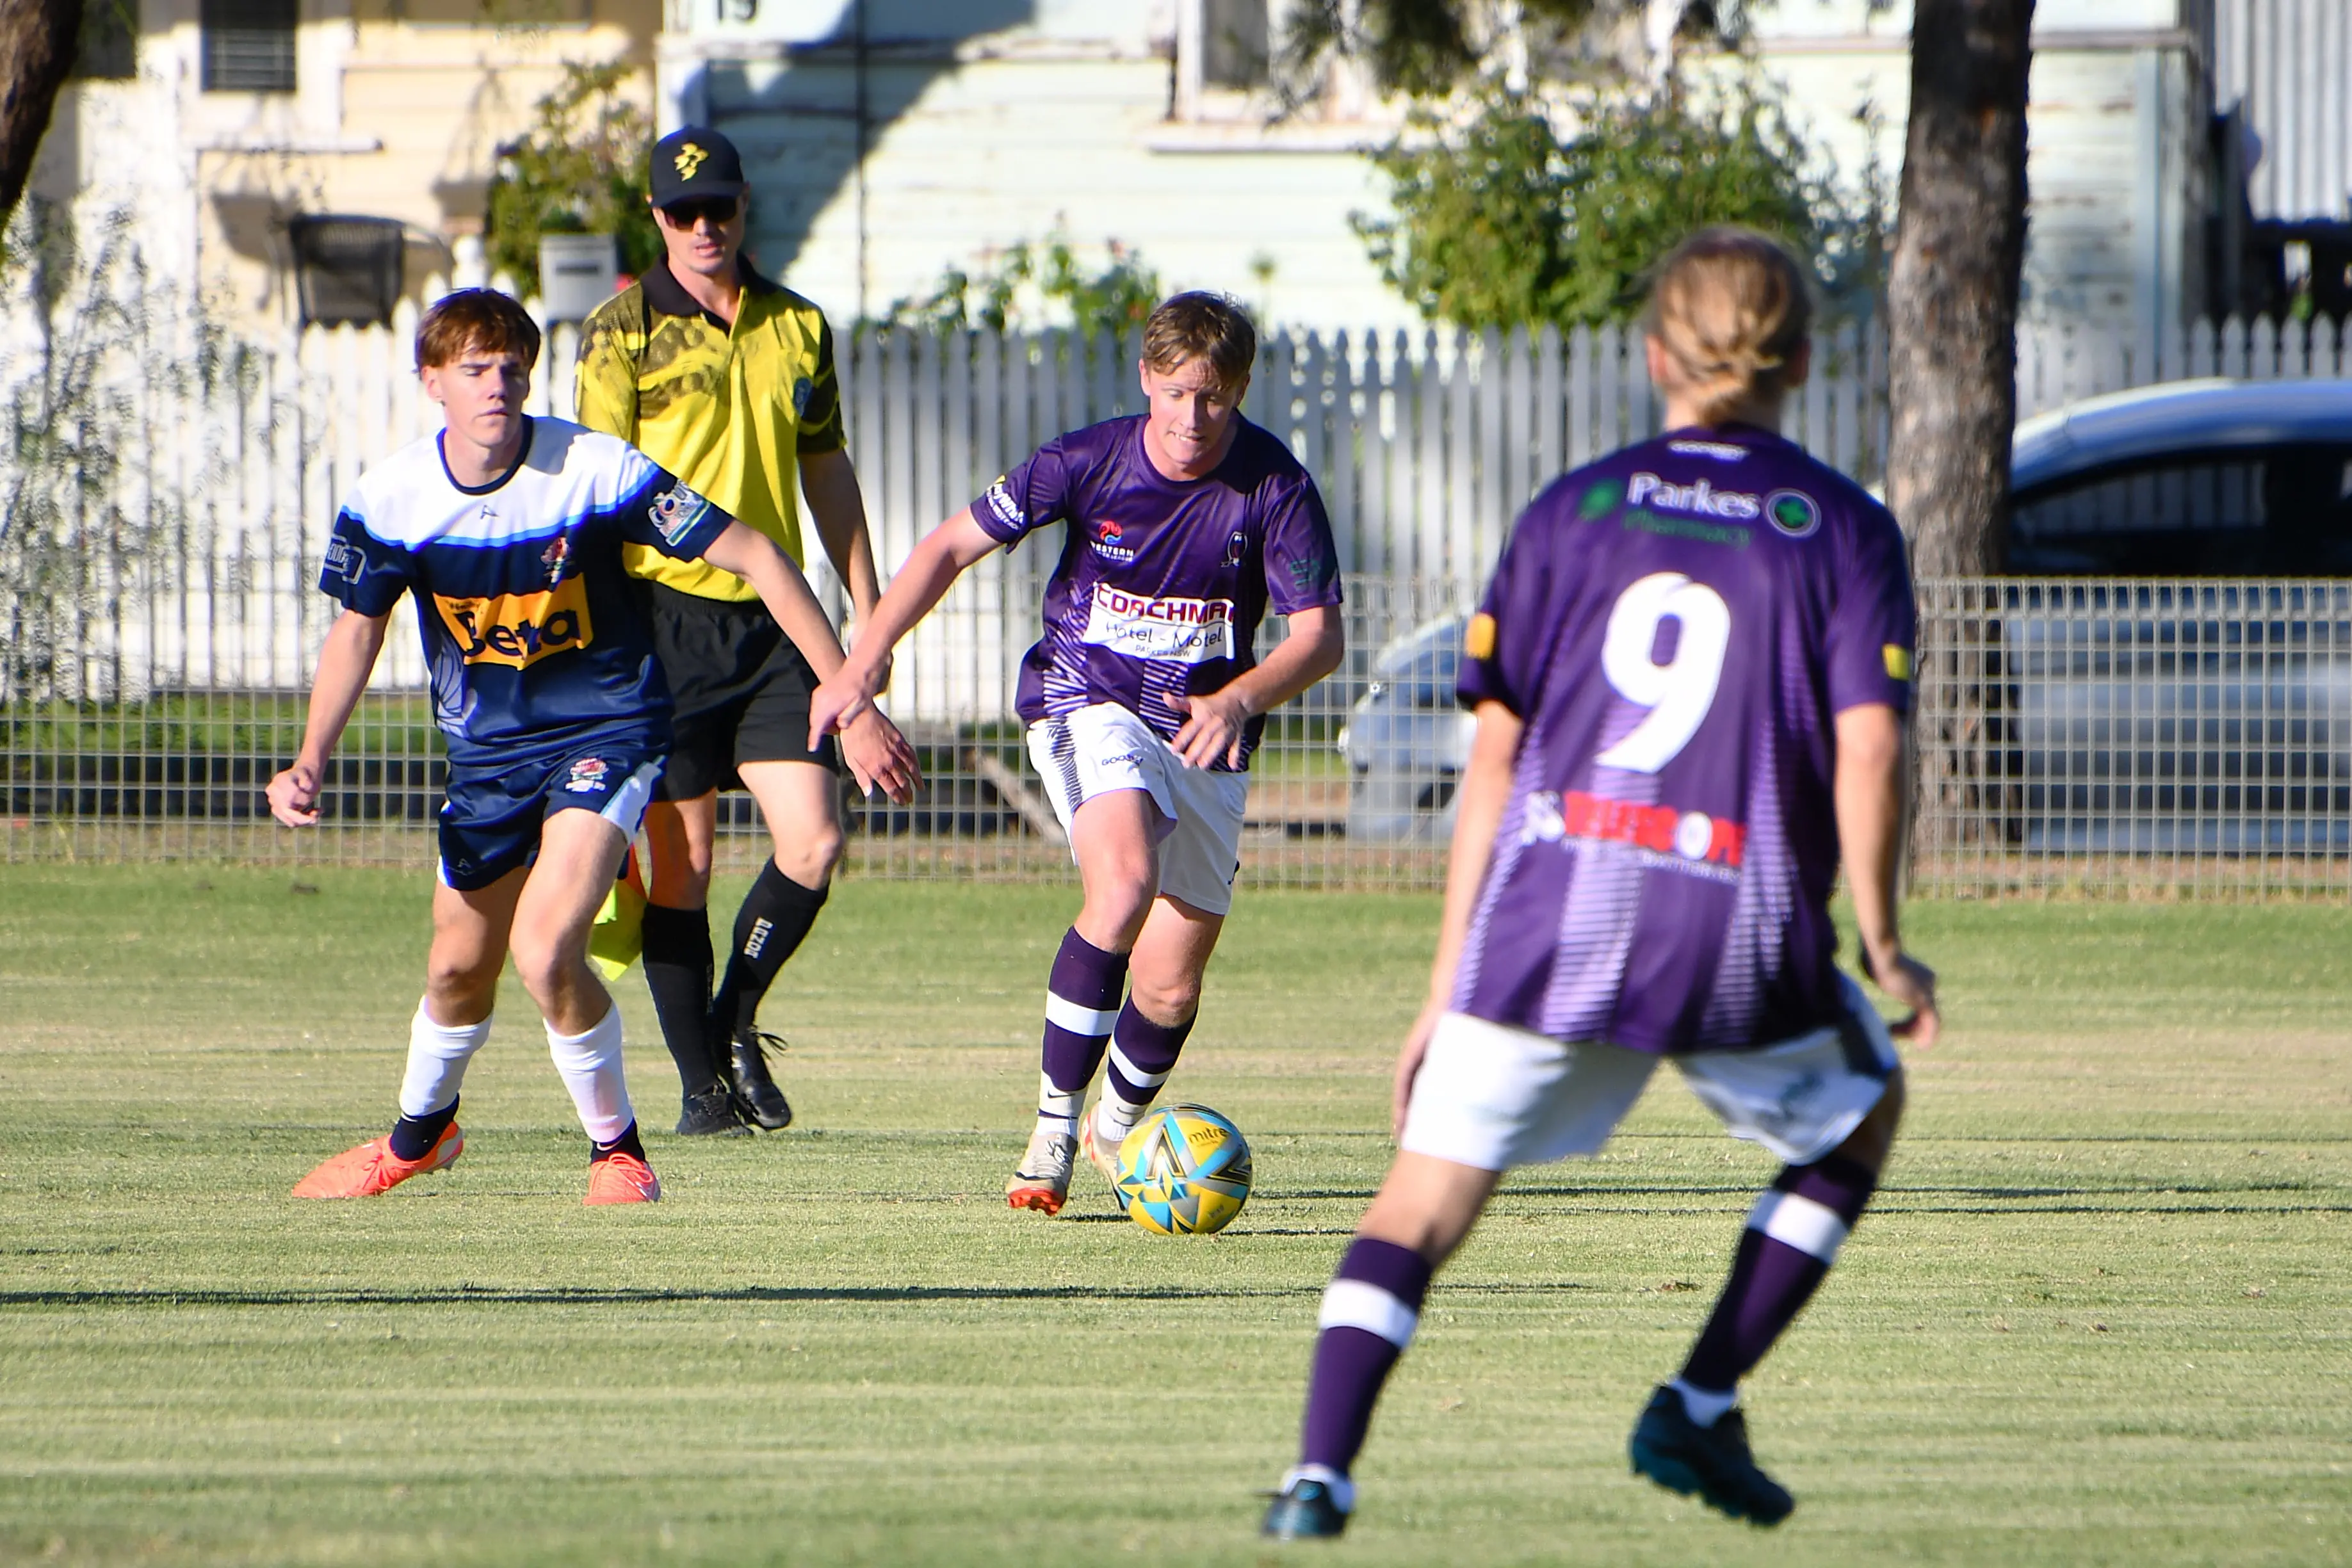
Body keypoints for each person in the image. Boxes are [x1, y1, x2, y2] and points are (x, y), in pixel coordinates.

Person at [1258, 227, 1942, 1539]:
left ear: (1652, 354)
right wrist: (1886, 942)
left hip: (1552, 913)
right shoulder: (1843, 529)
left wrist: (1445, 989)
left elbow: (1497, 757)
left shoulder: (1571, 510)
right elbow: (1871, 745)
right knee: (1862, 1115)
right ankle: (1696, 1398)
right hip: (1731, 921)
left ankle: (1319, 1476)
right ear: (1802, 359)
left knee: (1423, 1202)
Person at [274, 288, 916, 1205]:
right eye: (474, 369)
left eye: (512, 369)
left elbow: (761, 558)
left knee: (544, 949)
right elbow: (355, 633)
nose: (497, 386)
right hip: (489, 761)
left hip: (605, 736)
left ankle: (617, 1152)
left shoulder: (593, 471)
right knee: (457, 967)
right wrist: (311, 756)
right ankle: (419, 1137)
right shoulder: (394, 500)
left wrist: (848, 698)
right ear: (432, 383)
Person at [808, 292, 1345, 1215]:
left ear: (1241, 391)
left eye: (1213, 398)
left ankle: (1116, 1131)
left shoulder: (1275, 487)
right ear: (1146, 380)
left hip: (1206, 727)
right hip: (1084, 696)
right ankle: (1056, 1124)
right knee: (1123, 885)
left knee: (1172, 981)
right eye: (1176, 394)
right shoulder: (1087, 462)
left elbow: (1320, 638)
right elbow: (947, 547)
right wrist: (864, 662)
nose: (1191, 419)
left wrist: (1243, 697)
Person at [575, 125, 909, 1138]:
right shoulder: (619, 331)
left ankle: (732, 1021)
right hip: (657, 622)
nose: (703, 226)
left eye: (719, 207)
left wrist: (869, 609)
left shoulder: (798, 324)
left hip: (775, 621)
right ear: (656, 220)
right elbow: (595, 493)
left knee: (814, 841)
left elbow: (827, 470)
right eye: (683, 212)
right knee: (685, 868)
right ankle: (700, 1095)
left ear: (744, 207)